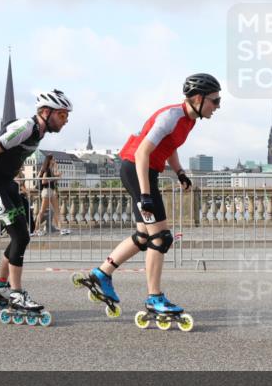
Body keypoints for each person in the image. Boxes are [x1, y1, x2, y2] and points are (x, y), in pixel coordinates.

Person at [76, 73, 221, 327]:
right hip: (136, 167)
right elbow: (143, 152)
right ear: (198, 99)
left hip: (144, 170)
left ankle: (102, 273)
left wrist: (180, 172)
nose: (217, 107)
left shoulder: (189, 119)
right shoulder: (171, 116)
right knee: (160, 238)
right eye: (215, 101)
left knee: (143, 236)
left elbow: (171, 145)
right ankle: (154, 298)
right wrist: (145, 196)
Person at [0, 89, 71, 323]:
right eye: (62, 114)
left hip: (5, 182)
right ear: (45, 111)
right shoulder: (25, 128)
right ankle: (16, 294)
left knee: (23, 232)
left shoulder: (39, 132)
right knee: (20, 236)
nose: (66, 119)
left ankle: (0, 286)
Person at [33, 154, 71, 235]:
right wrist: (53, 178)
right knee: (42, 212)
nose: (55, 161)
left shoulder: (50, 169)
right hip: (46, 192)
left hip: (51, 191)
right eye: (53, 159)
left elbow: (57, 176)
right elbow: (44, 181)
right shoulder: (46, 169)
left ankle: (61, 229)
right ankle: (35, 230)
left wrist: (56, 168)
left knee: (57, 211)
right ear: (49, 160)